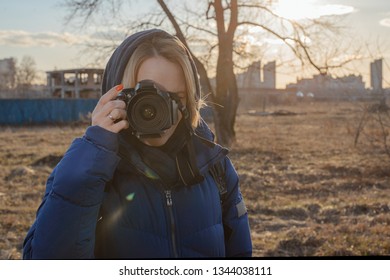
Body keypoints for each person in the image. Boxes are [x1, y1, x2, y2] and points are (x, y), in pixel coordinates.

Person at [23, 29, 252, 259]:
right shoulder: (87, 174)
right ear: (116, 96)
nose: (161, 113)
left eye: (177, 98)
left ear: (190, 100)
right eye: (147, 99)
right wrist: (92, 155)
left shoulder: (214, 168)